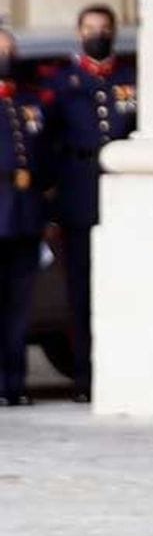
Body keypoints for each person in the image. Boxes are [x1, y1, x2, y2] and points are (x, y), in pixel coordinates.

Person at [40, 3, 136, 402]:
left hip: (124, 199)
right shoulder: (64, 83)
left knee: (127, 287)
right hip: (79, 195)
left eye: (103, 27)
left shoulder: (130, 79)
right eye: (90, 28)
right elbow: (47, 143)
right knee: (81, 289)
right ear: (79, 33)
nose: (97, 34)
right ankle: (85, 376)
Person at [0, 27, 47, 407]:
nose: (6, 56)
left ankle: (14, 384)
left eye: (9, 50)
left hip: (26, 217)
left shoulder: (28, 102)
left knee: (19, 305)